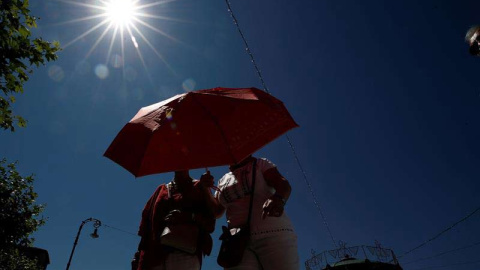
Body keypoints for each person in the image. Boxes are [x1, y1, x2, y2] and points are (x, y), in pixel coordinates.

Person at [213, 156, 300, 270]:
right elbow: (217, 212)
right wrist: (205, 188)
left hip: (272, 234)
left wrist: (278, 198)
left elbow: (283, 184)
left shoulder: (260, 164)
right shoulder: (222, 180)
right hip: (237, 242)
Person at [132, 170, 218, 270]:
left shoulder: (199, 187)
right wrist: (138, 256)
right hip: (154, 256)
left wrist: (189, 216)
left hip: (185, 253)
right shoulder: (161, 190)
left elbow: (210, 222)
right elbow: (147, 227)